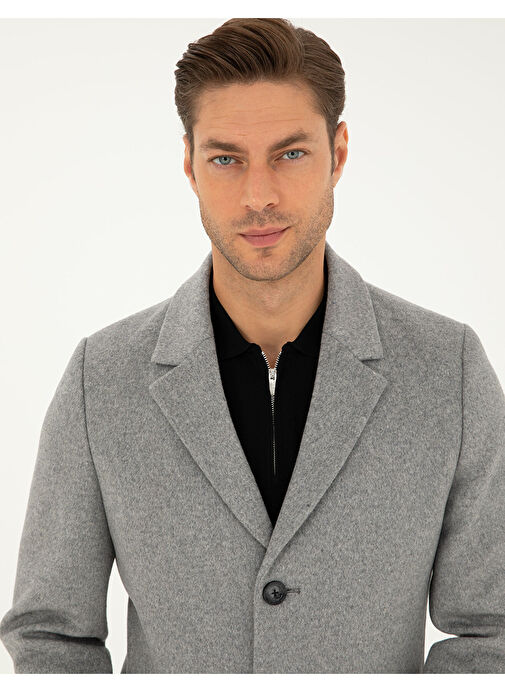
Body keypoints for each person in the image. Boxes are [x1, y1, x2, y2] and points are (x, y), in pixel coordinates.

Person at [1, 17, 505, 674]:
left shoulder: (447, 371)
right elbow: (51, 637)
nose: (258, 196)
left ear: (339, 153)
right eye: (225, 159)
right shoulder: (102, 378)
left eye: (290, 154)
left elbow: (492, 631)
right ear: (189, 164)